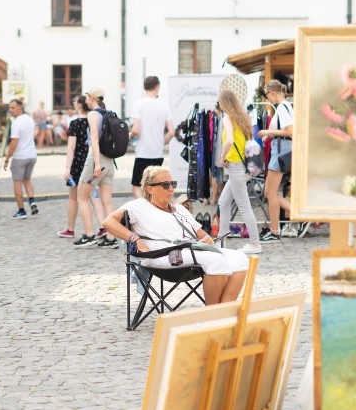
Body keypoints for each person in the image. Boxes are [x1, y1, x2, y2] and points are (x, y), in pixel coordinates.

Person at [102, 166, 248, 306]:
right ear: (150, 189)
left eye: (173, 183)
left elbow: (202, 235)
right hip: (163, 256)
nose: (171, 188)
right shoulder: (139, 206)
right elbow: (108, 222)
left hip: (190, 250)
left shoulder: (180, 209)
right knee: (216, 260)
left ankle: (222, 312)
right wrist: (135, 239)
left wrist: (207, 239)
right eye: (165, 184)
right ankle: (212, 313)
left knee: (240, 259)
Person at [257, 80, 308, 241]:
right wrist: (269, 134)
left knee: (270, 192)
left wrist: (267, 131)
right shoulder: (285, 107)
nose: (267, 99)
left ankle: (275, 230)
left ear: (272, 92)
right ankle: (295, 217)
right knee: (270, 192)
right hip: (281, 151)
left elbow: (290, 131)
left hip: (280, 152)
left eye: (267, 95)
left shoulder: (283, 107)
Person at [217, 89, 262, 255]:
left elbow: (229, 141)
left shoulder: (227, 119)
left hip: (235, 166)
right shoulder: (244, 118)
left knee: (244, 206)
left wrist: (222, 156)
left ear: (224, 103)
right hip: (242, 166)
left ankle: (255, 243)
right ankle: (221, 242)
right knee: (224, 202)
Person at [73, 87, 118, 248]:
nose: (85, 99)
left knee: (81, 197)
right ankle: (112, 238)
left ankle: (89, 235)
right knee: (107, 202)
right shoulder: (108, 113)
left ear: (91, 98)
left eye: (86, 96)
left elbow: (94, 140)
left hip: (96, 160)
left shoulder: (93, 114)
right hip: (110, 160)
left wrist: (96, 163)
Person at [130, 76, 174, 199]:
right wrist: (162, 142)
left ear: (145, 87)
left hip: (142, 153)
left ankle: (145, 210)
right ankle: (154, 210)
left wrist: (130, 135)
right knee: (155, 187)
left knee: (137, 187)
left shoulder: (138, 104)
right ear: (157, 87)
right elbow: (171, 131)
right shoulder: (164, 106)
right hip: (158, 154)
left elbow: (135, 129)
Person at [58, 95, 92, 238]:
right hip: (91, 161)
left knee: (74, 198)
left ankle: (70, 229)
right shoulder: (94, 121)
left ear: (79, 106)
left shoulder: (75, 123)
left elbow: (71, 148)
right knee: (94, 198)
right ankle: (102, 229)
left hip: (78, 163)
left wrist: (67, 168)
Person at [2, 98, 38, 219]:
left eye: (12, 107)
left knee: (17, 182)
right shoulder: (30, 120)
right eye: (9, 107)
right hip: (32, 155)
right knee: (27, 179)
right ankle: (32, 201)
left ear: (19, 108)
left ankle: (21, 210)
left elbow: (14, 143)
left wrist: (7, 158)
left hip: (20, 156)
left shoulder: (16, 123)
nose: (10, 110)